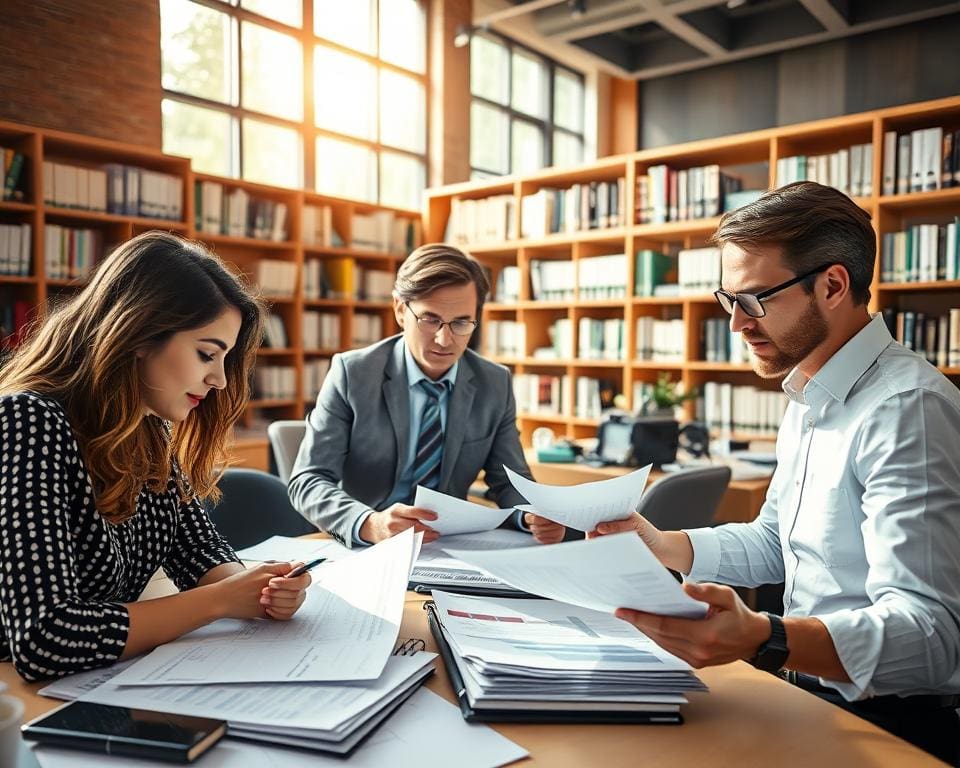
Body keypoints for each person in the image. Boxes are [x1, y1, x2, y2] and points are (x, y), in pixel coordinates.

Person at [595, 182, 960, 764]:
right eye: (729, 299)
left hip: (891, 725)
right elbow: (776, 541)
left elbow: (931, 637)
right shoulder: (808, 393)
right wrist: (661, 543)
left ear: (833, 286)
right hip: (805, 693)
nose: (737, 324)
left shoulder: (905, 409)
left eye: (756, 298)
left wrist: (769, 637)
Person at [0, 231, 312, 682]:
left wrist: (261, 588)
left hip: (99, 679)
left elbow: (197, 551)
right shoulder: (28, 420)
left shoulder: (147, 425)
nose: (220, 382)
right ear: (140, 334)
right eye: (207, 354)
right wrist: (223, 600)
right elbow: (46, 638)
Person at [289, 243, 565, 547]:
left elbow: (509, 482)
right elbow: (307, 481)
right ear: (399, 309)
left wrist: (531, 515)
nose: (444, 339)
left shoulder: (494, 383)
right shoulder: (352, 374)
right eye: (430, 319)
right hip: (367, 545)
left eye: (461, 322)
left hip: (445, 546)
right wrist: (370, 523)